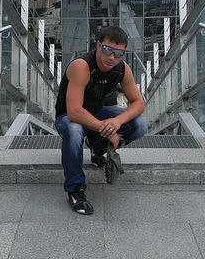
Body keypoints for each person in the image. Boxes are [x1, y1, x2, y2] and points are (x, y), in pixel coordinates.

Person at [54, 26, 147, 215]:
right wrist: (107, 129)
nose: (112, 57)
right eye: (107, 49)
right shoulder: (82, 66)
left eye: (118, 53)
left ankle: (97, 148)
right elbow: (74, 111)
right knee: (74, 131)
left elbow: (138, 103)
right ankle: (75, 190)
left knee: (140, 124)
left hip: (97, 113)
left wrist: (117, 122)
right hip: (69, 118)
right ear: (98, 46)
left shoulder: (122, 69)